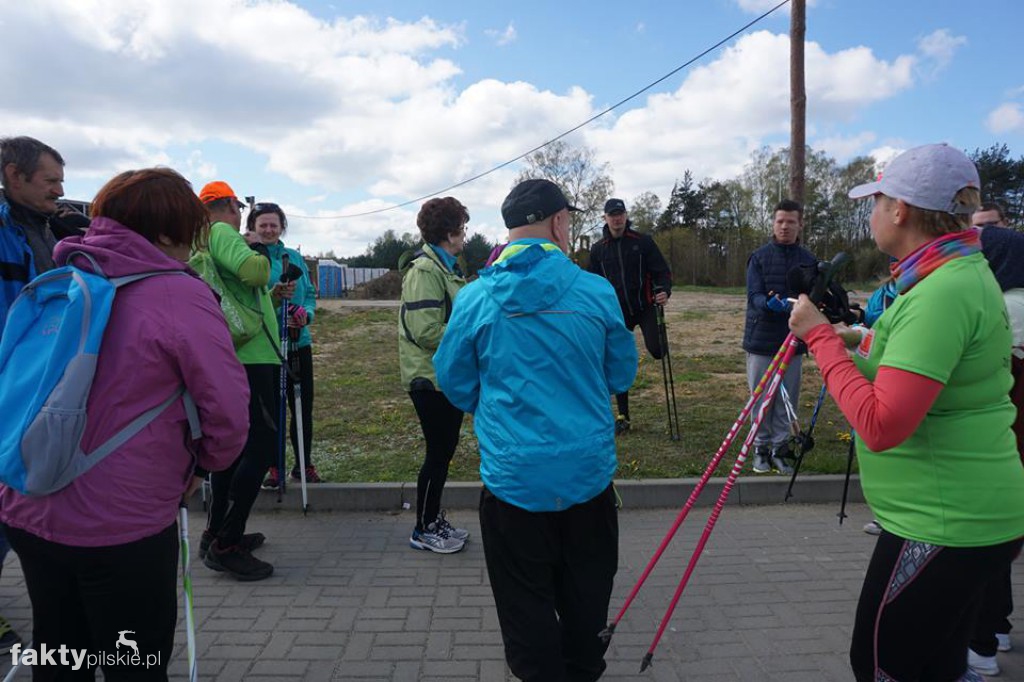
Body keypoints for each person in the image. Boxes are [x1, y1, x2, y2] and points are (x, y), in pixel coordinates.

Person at [0, 168, 249, 679]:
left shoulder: (62, 276)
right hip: (121, 522)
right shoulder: (178, 294)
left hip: (29, 501)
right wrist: (205, 465)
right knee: (131, 661)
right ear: (164, 231)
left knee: (59, 650)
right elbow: (226, 407)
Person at [788, 143, 1024, 682]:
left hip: (945, 522)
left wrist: (821, 340)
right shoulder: (953, 272)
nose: (870, 214)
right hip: (953, 515)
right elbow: (927, 366)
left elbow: (882, 425)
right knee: (933, 664)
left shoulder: (941, 291)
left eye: (876, 202)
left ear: (900, 211)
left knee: (881, 665)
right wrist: (856, 338)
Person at [434, 179, 638, 682]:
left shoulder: (476, 298)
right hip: (587, 482)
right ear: (559, 222)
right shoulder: (595, 291)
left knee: (525, 608)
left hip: (513, 483)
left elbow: (456, 383)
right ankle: (583, 667)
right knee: (587, 600)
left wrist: (503, 408)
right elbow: (621, 375)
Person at [0, 135, 74, 654]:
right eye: (50, 181)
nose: (60, 190)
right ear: (13, 174)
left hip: (35, 387)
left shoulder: (45, 227)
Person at [199, 180, 285, 581]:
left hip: (240, 355)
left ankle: (216, 530)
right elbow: (253, 271)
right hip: (253, 357)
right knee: (263, 443)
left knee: (234, 449)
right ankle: (226, 543)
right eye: (236, 207)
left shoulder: (206, 238)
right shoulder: (220, 232)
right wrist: (260, 251)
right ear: (229, 206)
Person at [966, 201, 1024, 676]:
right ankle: (997, 628)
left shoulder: (997, 306)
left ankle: (982, 643)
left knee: (986, 549)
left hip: (995, 448)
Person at [398, 197, 470, 554]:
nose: (465, 235)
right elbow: (426, 331)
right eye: (462, 228)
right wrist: (469, 338)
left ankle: (433, 518)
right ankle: (423, 528)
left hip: (446, 377)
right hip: (429, 378)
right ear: (449, 232)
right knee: (438, 451)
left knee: (444, 451)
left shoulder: (446, 268)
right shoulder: (425, 271)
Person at [247, 202, 322, 489]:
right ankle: (274, 466)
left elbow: (310, 294)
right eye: (262, 225)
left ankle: (304, 464)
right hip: (267, 344)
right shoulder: (252, 259)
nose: (268, 230)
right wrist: (274, 296)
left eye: (273, 225)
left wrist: (307, 315)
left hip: (298, 343)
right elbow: (252, 298)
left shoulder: (294, 257)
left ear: (282, 227)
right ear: (253, 227)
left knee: (302, 407)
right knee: (274, 410)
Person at [742, 199, 817, 475]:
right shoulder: (759, 257)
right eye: (780, 221)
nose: (785, 226)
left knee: (788, 399)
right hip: (761, 339)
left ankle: (780, 448)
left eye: (791, 222)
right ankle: (760, 448)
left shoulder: (808, 260)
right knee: (761, 397)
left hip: (794, 339)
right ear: (773, 223)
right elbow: (754, 295)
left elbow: (812, 297)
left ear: (800, 225)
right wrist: (768, 305)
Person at [588, 198, 672, 435]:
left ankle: (659, 342)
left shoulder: (642, 242)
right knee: (617, 361)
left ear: (626, 216)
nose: (617, 218)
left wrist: (664, 290)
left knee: (658, 351)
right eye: (612, 214)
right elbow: (591, 282)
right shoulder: (598, 249)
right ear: (605, 218)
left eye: (620, 214)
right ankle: (623, 415)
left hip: (644, 306)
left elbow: (662, 271)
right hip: (616, 312)